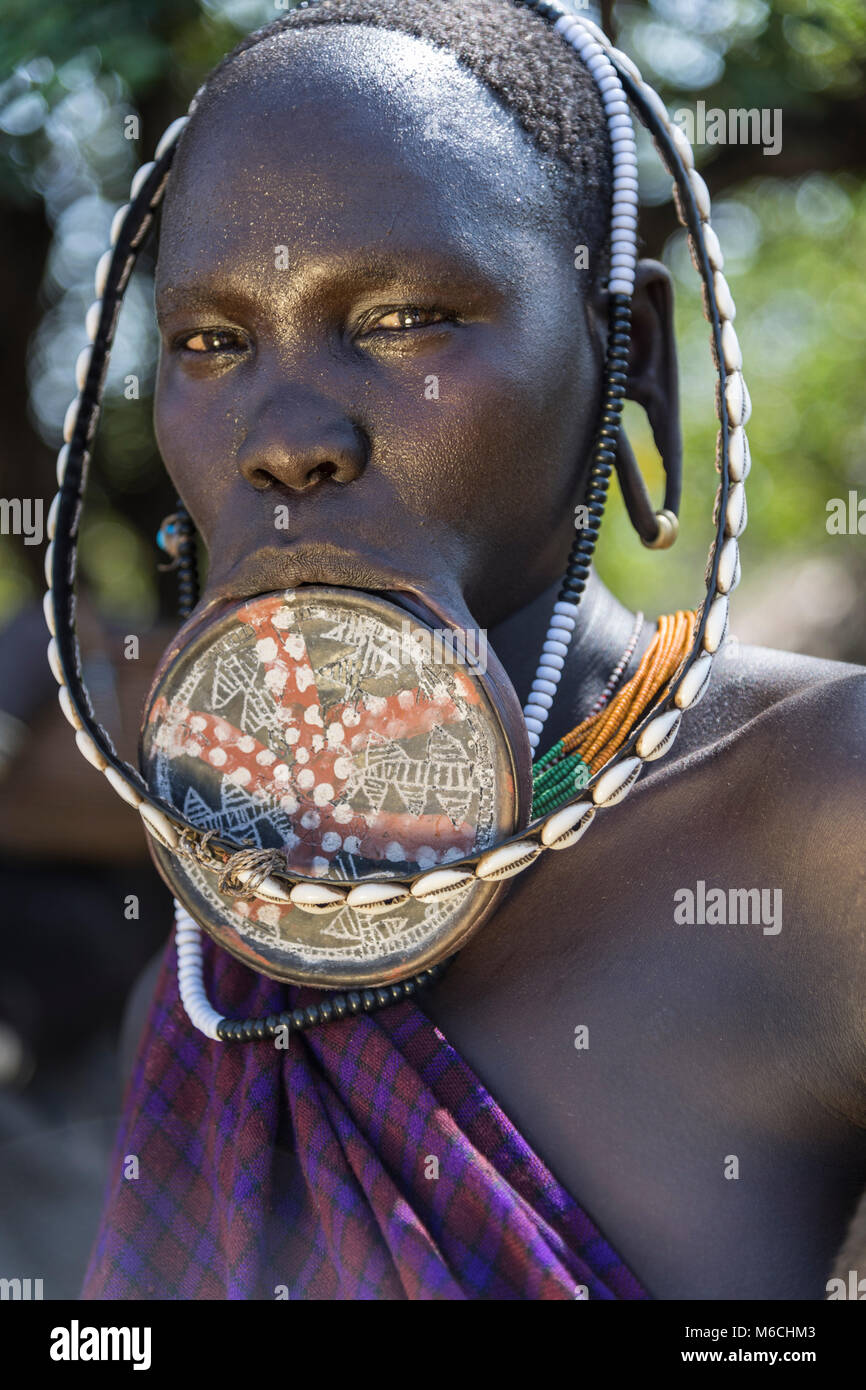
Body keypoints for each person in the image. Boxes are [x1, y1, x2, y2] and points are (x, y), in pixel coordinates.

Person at [81, 0, 866, 1300]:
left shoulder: (820, 818)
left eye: (403, 321)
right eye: (210, 344)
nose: (286, 436)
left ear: (632, 360)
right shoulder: (200, 986)